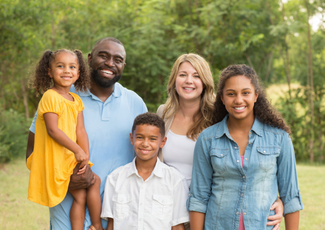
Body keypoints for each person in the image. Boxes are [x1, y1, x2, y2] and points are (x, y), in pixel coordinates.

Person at [26, 38, 147, 230]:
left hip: (117, 212)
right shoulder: (59, 96)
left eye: (118, 59)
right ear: (89, 59)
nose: (110, 63)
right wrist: (64, 178)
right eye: (103, 56)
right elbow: (33, 149)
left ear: (123, 65)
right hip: (66, 205)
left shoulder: (135, 103)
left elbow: (147, 156)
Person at [157, 54, 283, 229]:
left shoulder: (219, 116)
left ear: (205, 82)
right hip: (166, 207)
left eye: (196, 75)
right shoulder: (163, 114)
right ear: (174, 80)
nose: (189, 81)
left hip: (207, 209)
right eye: (183, 74)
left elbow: (251, 160)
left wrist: (276, 198)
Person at [188, 64, 303, 230]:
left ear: (256, 95)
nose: (239, 100)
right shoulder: (207, 139)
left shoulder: (280, 139)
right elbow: (198, 198)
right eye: (231, 94)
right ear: (222, 98)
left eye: (246, 93)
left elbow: (291, 197)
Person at [27, 49, 103, 230]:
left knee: (88, 188)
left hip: (72, 158)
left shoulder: (75, 100)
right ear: (49, 71)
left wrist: (85, 156)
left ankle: (95, 224)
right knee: (83, 193)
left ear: (78, 73)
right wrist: (77, 151)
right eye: (60, 66)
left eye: (72, 67)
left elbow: (81, 131)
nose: (66, 71)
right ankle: (97, 225)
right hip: (58, 159)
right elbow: (53, 130)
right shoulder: (50, 96)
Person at [101, 112, 189, 230]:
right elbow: (111, 225)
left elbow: (178, 226)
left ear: (162, 142)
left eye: (152, 139)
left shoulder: (175, 180)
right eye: (140, 137)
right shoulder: (115, 178)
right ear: (132, 138)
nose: (145, 144)